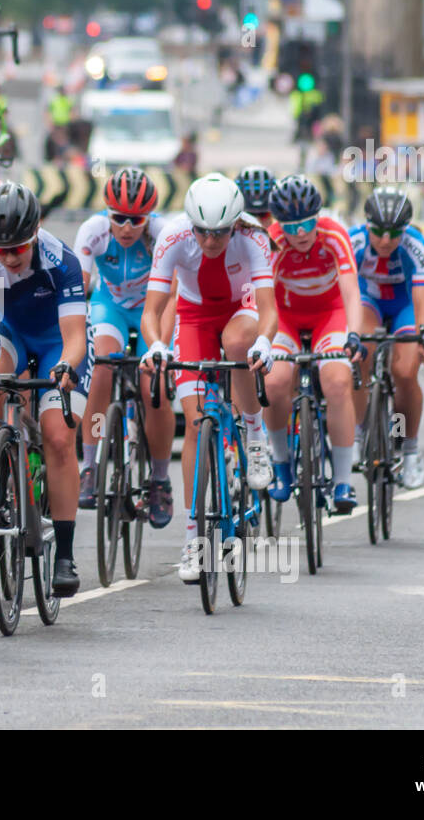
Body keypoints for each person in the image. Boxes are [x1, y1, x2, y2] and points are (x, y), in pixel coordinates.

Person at [140, 174, 277, 581]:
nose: (210, 241)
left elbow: (268, 309)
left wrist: (266, 342)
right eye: (202, 231)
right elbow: (153, 309)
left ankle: (254, 435)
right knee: (198, 424)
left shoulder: (253, 238)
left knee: (239, 345)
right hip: (195, 317)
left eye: (219, 233)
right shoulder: (172, 236)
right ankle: (192, 541)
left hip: (241, 307)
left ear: (235, 224)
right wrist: (156, 345)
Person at [0, 180, 90, 597]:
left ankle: (65, 554)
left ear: (35, 231)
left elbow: (75, 337)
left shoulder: (62, 260)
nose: (10, 257)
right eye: (0, 249)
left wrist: (64, 368)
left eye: (18, 248)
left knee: (58, 436)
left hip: (57, 342)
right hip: (7, 337)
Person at [73, 168, 174, 520]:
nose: (128, 227)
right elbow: (78, 288)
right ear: (107, 214)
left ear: (149, 217)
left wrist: (161, 344)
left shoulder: (163, 234)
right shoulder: (93, 231)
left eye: (137, 219)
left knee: (154, 387)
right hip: (110, 306)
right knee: (100, 368)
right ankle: (90, 461)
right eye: (119, 218)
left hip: (154, 307)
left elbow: (174, 292)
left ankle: (160, 481)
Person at [263, 174, 365, 514]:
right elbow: (263, 301)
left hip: (329, 313)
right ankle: (280, 464)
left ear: (317, 217)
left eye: (307, 223)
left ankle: (342, 480)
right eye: (291, 226)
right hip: (285, 316)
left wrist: (354, 335)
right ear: (280, 225)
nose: (301, 233)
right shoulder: (273, 242)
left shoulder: (335, 234)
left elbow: (351, 292)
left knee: (337, 381)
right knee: (275, 381)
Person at [349, 187, 424, 488]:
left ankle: (409, 448)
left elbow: (422, 302)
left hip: (404, 306)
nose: (385, 240)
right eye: (378, 231)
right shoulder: (354, 241)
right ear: (367, 225)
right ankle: (360, 433)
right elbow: (343, 295)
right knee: (362, 351)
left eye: (393, 233)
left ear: (405, 230)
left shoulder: (417, 246)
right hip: (368, 301)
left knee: (404, 372)